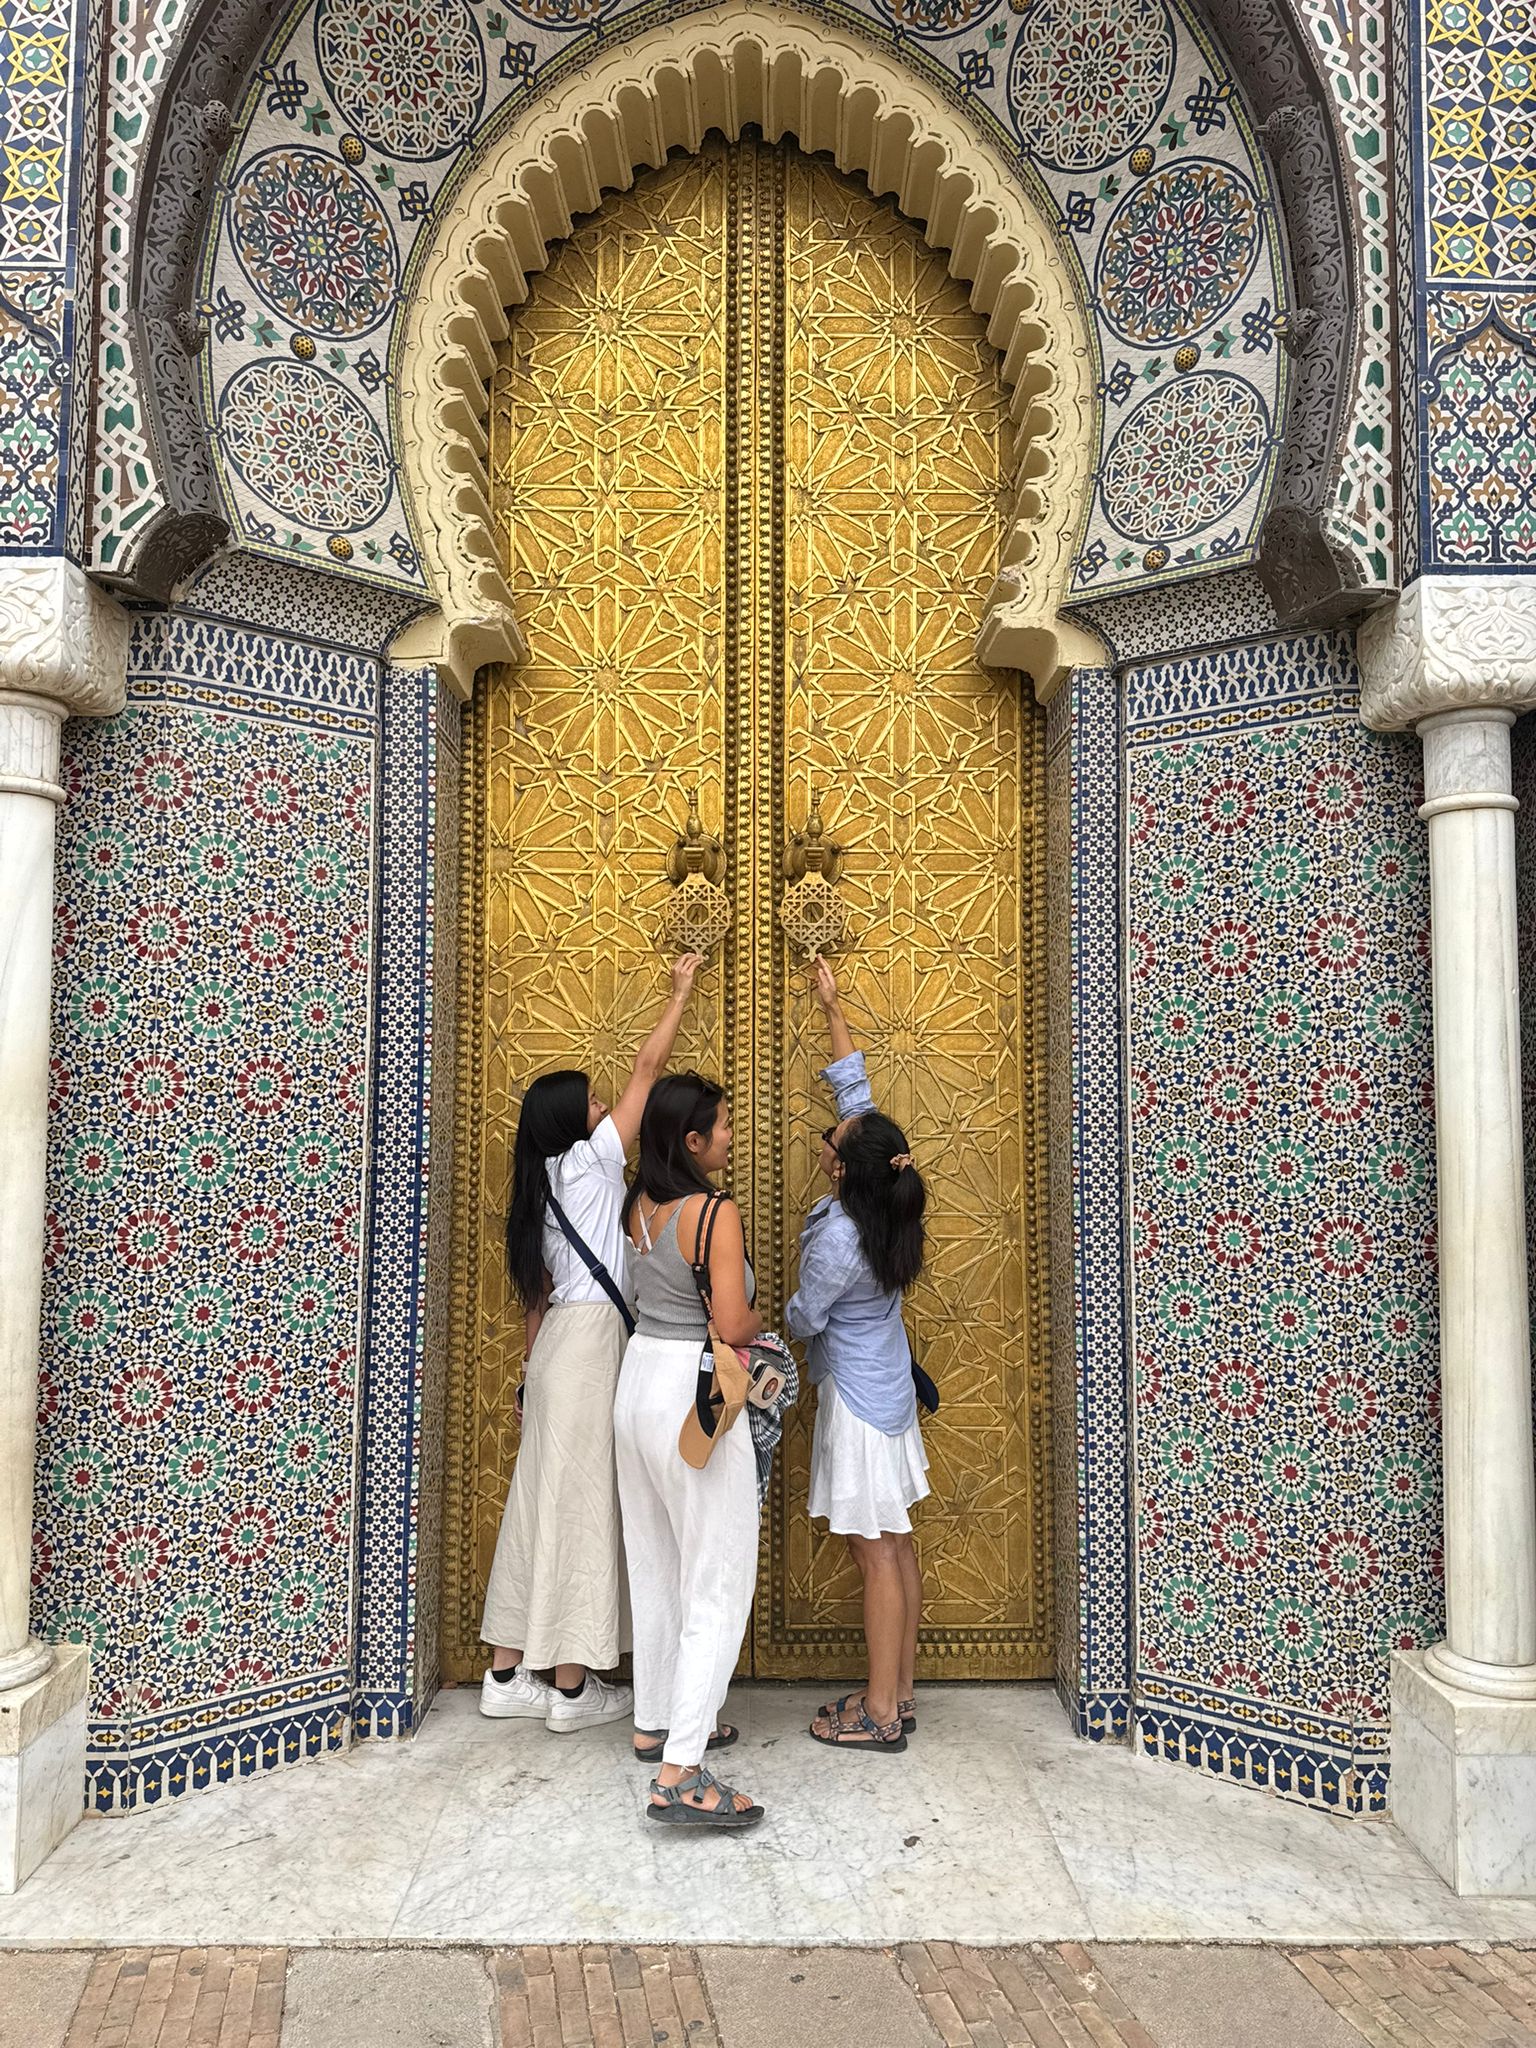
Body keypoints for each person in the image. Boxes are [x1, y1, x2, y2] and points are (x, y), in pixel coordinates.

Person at [479, 953, 702, 1731]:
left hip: (554, 1355)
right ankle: (571, 1689)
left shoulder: (538, 1186)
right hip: (592, 1344)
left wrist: (527, 1376)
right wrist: (679, 993)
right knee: (578, 1504)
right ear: (573, 1121)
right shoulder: (589, 1162)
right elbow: (649, 1067)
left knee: (538, 1501)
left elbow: (537, 1300)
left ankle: (507, 1673)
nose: (607, 1104)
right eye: (593, 1100)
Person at [614, 1073, 767, 1829]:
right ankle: (681, 1771)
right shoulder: (713, 1212)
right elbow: (734, 1325)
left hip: (636, 1378)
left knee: (657, 1564)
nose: (732, 1136)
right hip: (690, 1390)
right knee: (717, 1575)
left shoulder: (639, 1205)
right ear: (692, 1140)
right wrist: (764, 1304)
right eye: (724, 1126)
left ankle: (657, 1721)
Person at [786, 956, 929, 1754]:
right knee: (896, 1543)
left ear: (843, 1169)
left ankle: (876, 1716)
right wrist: (831, 1005)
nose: (828, 1139)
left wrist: (770, 1326)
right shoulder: (879, 1195)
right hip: (891, 1397)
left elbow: (808, 1316)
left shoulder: (842, 1236)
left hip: (859, 1404)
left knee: (875, 1554)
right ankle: (898, 1693)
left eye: (829, 1144)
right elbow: (857, 1097)